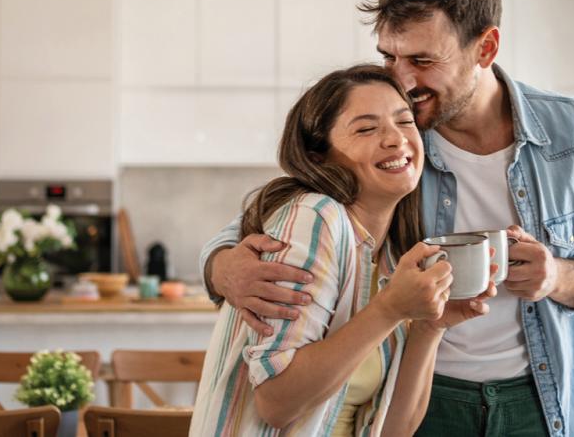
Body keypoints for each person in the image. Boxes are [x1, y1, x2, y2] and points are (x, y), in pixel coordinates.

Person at [199, 0, 574, 436]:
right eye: (388, 55)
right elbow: (269, 227)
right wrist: (222, 269)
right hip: (414, 393)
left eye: (422, 59)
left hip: (541, 398)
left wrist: (555, 277)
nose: (402, 80)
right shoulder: (393, 144)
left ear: (486, 48)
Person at [189, 64, 495, 436]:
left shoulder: (390, 255)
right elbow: (276, 401)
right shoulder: (316, 217)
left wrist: (432, 325)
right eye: (367, 128)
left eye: (404, 122)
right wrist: (390, 310)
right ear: (319, 156)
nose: (396, 139)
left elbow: (393, 428)